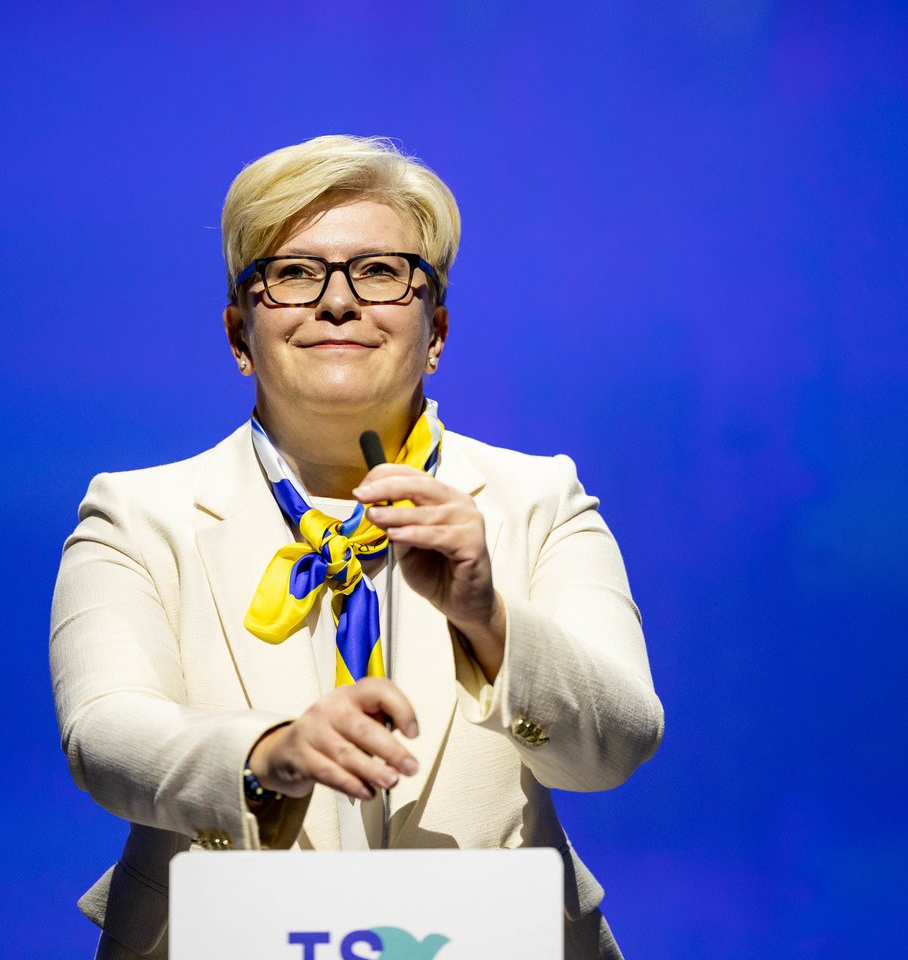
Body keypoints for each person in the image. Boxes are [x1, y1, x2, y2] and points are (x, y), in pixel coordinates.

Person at [49, 135, 665, 959]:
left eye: (378, 271)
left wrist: (489, 619)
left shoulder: (539, 499)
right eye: (294, 273)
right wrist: (267, 754)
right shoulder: (138, 514)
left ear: (435, 330)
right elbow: (104, 735)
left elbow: (618, 746)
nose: (338, 301)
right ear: (239, 335)